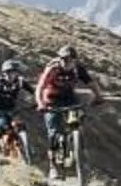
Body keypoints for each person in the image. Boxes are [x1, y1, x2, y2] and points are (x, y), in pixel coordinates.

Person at [34, 44, 100, 178]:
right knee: (53, 133)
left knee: (77, 119)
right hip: (51, 99)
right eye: (63, 59)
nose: (65, 62)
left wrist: (98, 97)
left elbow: (91, 84)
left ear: (75, 60)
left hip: (69, 97)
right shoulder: (52, 69)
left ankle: (79, 151)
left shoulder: (78, 69)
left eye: (69, 59)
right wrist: (40, 104)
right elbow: (40, 87)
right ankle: (53, 167)